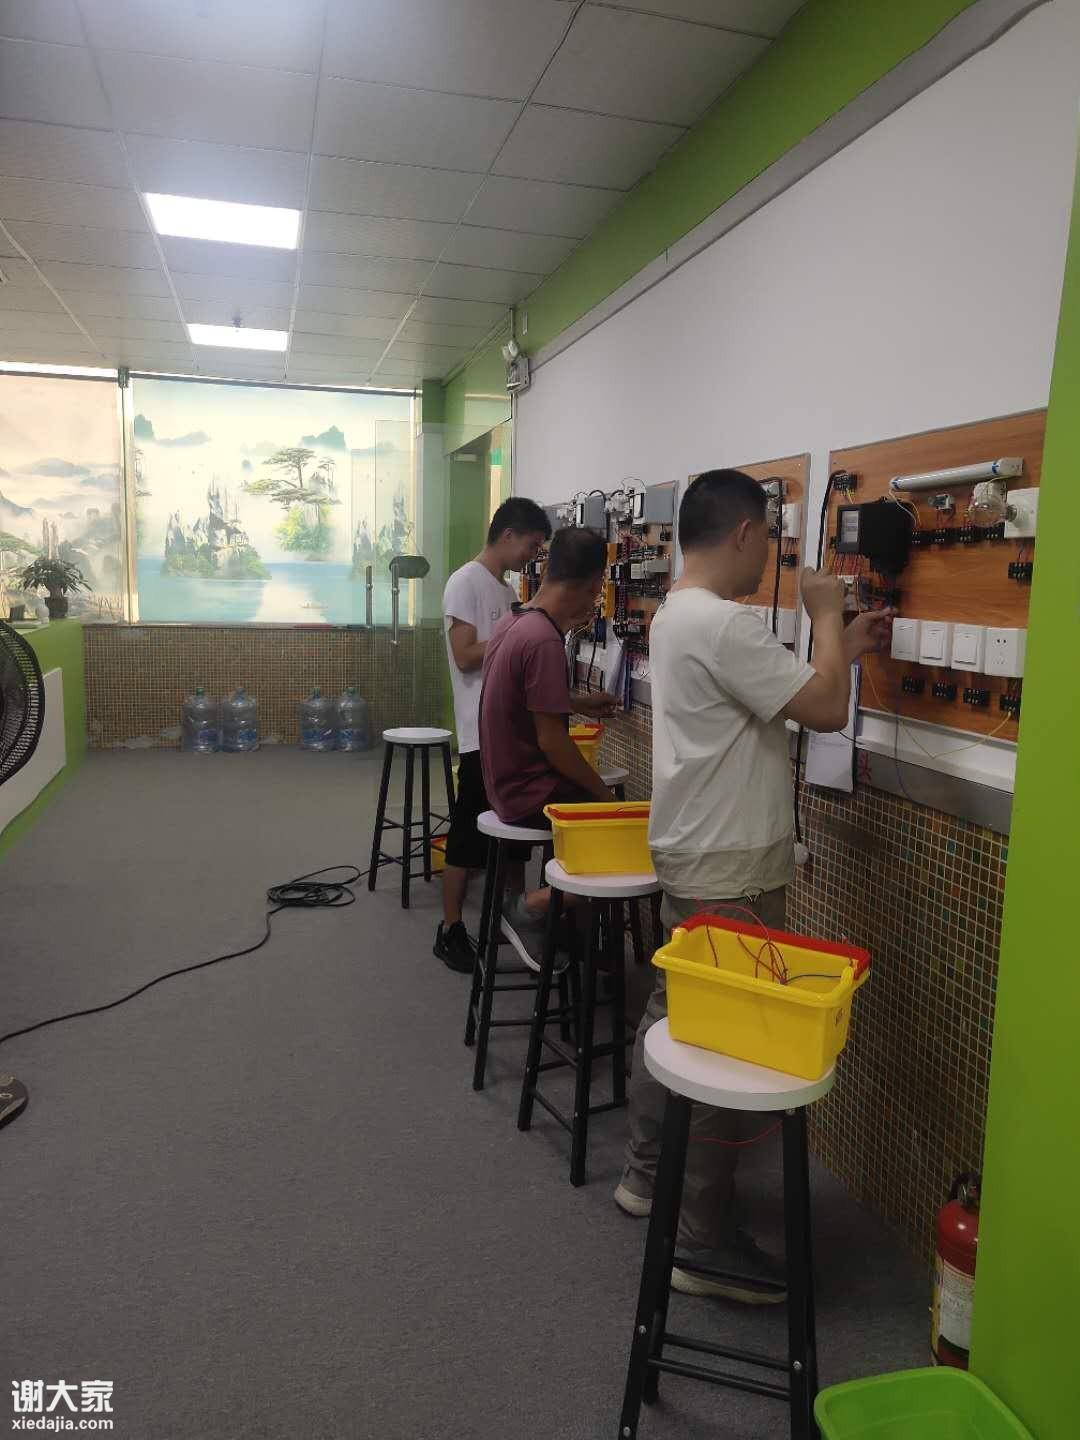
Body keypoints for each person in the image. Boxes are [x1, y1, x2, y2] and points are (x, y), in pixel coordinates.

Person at [615, 469, 893, 1302]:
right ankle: (699, 1244)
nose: (769, 555)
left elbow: (789, 691)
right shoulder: (725, 623)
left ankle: (645, 1177)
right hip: (729, 868)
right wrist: (824, 614)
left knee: (674, 1017)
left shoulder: (676, 614)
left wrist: (842, 644)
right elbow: (826, 709)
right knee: (720, 1049)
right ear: (743, 533)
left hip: (693, 855)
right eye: (768, 539)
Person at [479, 526, 617, 934]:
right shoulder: (543, 640)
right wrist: (603, 794)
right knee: (622, 837)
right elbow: (553, 742)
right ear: (594, 584)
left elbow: (519, 699)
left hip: (501, 785)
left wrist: (575, 703)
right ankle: (531, 906)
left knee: (600, 808)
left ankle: (566, 934)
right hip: (528, 794)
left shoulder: (514, 621)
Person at [434, 496, 552, 973]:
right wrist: (514, 634)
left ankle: (511, 917)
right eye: (531, 545)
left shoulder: (505, 590)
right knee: (466, 839)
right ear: (507, 535)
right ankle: (449, 929)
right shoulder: (464, 582)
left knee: (514, 835)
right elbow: (465, 656)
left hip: (509, 734)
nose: (533, 555)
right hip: (478, 734)